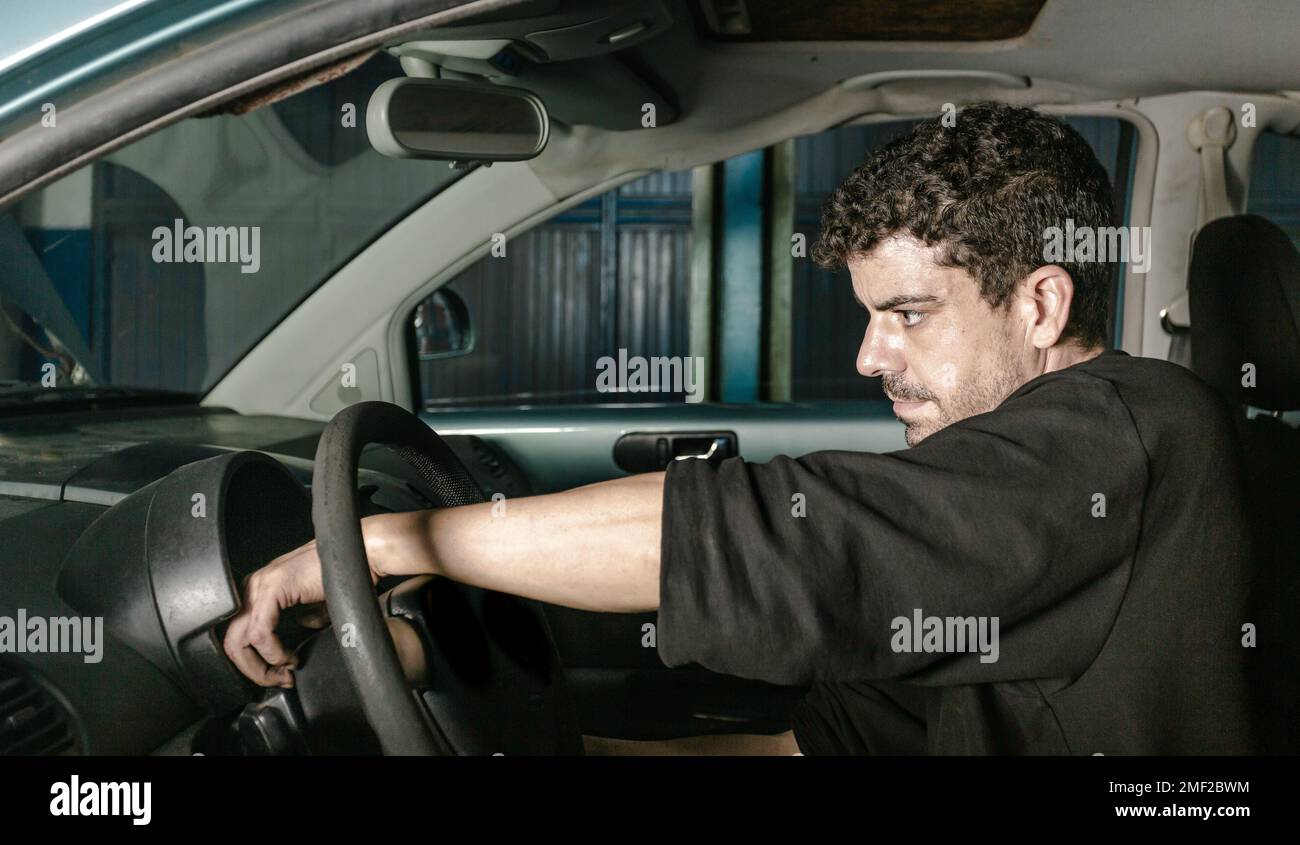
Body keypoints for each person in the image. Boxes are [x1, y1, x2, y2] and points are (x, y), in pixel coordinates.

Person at [224, 102, 1265, 755]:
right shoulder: (1005, 527)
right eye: (867, 316)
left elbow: (795, 539)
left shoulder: (1131, 429)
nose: (868, 356)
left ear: (1038, 305)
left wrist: (374, 543)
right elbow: (797, 752)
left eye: (904, 314)